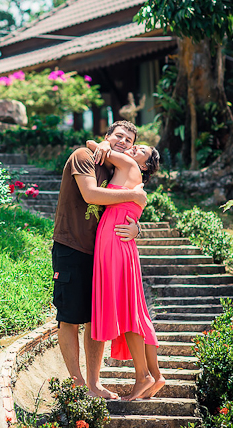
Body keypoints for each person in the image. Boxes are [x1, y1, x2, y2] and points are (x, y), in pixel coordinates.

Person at [51, 121, 147, 400]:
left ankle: (94, 383)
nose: (123, 142)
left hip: (102, 254)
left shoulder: (118, 169)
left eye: (128, 140)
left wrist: (138, 229)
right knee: (69, 318)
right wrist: (135, 194)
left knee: (96, 319)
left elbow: (130, 209)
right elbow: (91, 194)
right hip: (70, 247)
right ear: (107, 136)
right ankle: (77, 382)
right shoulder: (83, 157)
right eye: (118, 136)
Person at [86, 140, 165, 401]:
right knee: (134, 309)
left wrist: (106, 143)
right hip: (122, 243)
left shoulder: (129, 165)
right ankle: (152, 374)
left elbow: (91, 144)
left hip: (114, 243)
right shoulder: (134, 178)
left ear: (144, 164)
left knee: (128, 309)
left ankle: (143, 375)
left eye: (140, 150)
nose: (134, 149)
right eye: (136, 145)